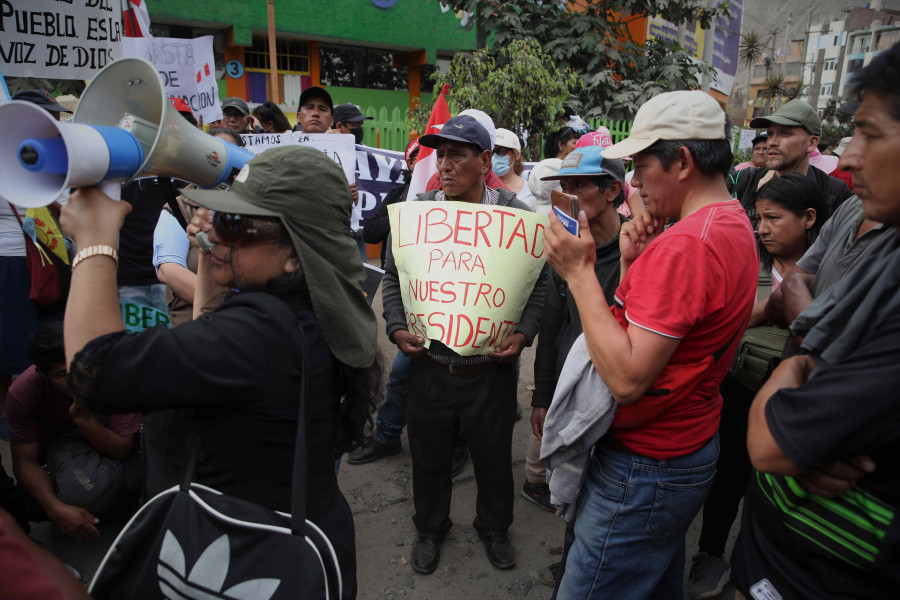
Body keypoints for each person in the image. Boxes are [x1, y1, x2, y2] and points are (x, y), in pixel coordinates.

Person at [58, 145, 381, 599]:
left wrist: (94, 241)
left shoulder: (262, 332)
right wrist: (215, 252)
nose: (220, 237)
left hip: (242, 549)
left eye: (239, 227)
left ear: (295, 254)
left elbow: (94, 370)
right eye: (223, 222)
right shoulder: (303, 309)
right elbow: (209, 323)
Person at [543, 90, 757, 599]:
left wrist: (578, 273)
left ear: (682, 161)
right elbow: (657, 333)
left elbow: (627, 377)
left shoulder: (687, 244)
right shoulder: (730, 222)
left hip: (645, 466)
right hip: (686, 446)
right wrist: (635, 264)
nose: (633, 185)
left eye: (640, 167)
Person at [731, 42, 900, 600]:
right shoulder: (868, 217)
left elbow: (771, 443)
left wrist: (801, 363)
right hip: (775, 550)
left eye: (870, 133)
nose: (851, 159)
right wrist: (809, 366)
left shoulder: (840, 199)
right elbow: (800, 288)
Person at [382, 114, 545, 574]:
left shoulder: (515, 216)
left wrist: (522, 333)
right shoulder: (419, 214)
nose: (445, 165)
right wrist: (396, 327)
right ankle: (430, 530)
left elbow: (540, 287)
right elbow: (393, 281)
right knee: (429, 459)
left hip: (489, 371)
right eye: (440, 155)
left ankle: (494, 528)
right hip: (429, 367)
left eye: (457, 154)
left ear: (485, 160)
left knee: (493, 458)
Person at [688, 173, 826, 599]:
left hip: (798, 402)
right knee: (728, 477)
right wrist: (769, 311)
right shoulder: (749, 262)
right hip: (739, 387)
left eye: (774, 218)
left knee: (779, 490)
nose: (762, 228)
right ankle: (710, 553)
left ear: (808, 219)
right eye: (759, 217)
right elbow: (725, 322)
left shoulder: (832, 272)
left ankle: (766, 569)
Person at [7, 322, 140, 540]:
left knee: (132, 480)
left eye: (80, 366)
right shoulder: (23, 392)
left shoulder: (114, 377)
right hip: (56, 452)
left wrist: (83, 418)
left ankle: (106, 510)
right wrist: (56, 509)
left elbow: (122, 449)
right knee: (32, 503)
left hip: (102, 446)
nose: (76, 379)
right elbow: (25, 462)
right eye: (62, 374)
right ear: (42, 374)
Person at [731, 100, 851, 222]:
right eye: (770, 134)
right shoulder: (743, 181)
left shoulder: (833, 192)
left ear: (812, 142)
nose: (772, 142)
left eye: (785, 133)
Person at [493, 128, 536, 208]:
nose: (494, 156)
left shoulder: (531, 191)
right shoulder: (480, 188)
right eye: (491, 151)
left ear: (516, 155)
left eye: (501, 151)